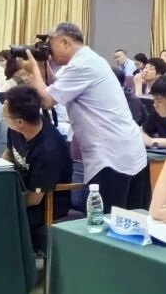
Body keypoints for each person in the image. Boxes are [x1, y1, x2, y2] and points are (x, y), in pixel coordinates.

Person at [17, 22, 147, 212]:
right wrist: (41, 66)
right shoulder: (89, 60)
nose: (48, 52)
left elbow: (46, 100)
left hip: (111, 156)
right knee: (124, 219)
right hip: (123, 150)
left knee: (105, 220)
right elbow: (59, 88)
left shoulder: (82, 65)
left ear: (65, 42)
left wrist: (33, 69)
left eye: (50, 45)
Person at [1, 84, 73, 251]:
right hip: (22, 191)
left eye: (4, 115)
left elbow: (34, 198)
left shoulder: (49, 150)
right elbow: (8, 154)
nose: (2, 117)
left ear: (19, 122)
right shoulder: (16, 129)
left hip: (47, 203)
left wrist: (4, 202)